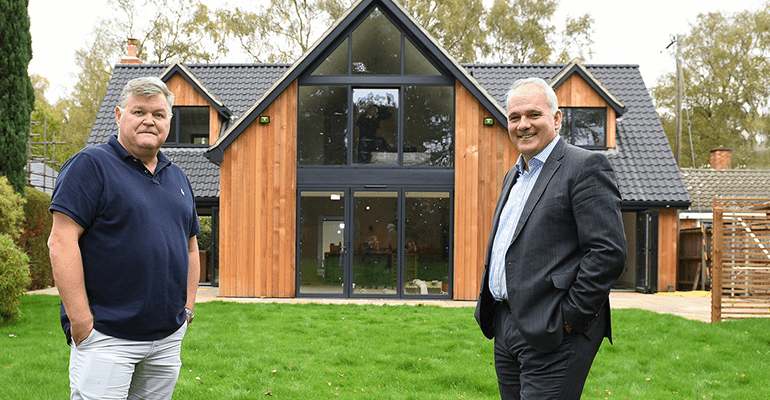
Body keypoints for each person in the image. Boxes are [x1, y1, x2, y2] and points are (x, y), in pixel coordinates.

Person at [48, 76, 200, 400]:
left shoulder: (178, 176)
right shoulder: (90, 166)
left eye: (159, 114)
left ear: (169, 122)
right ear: (119, 115)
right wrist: (82, 322)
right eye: (139, 111)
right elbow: (61, 242)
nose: (149, 120)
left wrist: (186, 309)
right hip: (107, 336)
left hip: (167, 337)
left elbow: (189, 246)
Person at [474, 77, 626, 400]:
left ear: (557, 119)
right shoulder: (513, 175)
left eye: (533, 115)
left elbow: (607, 253)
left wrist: (568, 320)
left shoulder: (585, 167)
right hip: (506, 324)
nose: (523, 125)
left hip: (555, 330)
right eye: (514, 117)